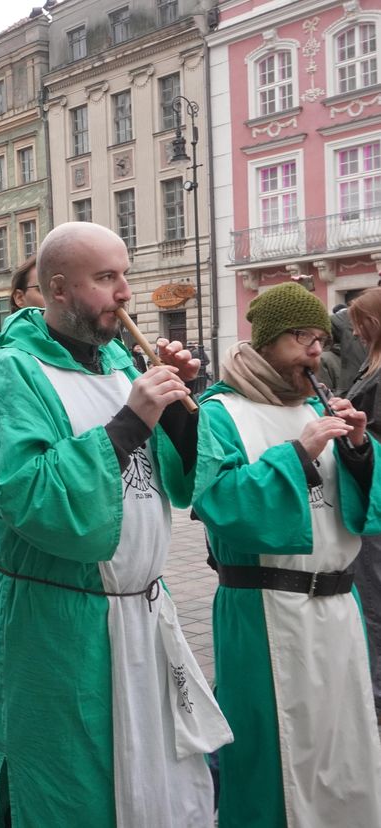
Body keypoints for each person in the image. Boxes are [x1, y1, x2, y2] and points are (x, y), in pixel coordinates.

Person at [0, 223, 231, 827]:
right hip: (58, 620)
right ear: (58, 289)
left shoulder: (116, 359)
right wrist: (131, 420)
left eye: (126, 275)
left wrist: (179, 405)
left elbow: (171, 475)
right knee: (70, 789)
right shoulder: (9, 371)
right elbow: (28, 497)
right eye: (106, 279)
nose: (125, 293)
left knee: (148, 780)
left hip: (139, 613)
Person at [193, 281, 381, 827]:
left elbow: (355, 509)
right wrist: (299, 453)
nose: (316, 352)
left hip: (338, 611)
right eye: (302, 338)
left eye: (321, 339)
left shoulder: (317, 405)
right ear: (267, 340)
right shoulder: (219, 412)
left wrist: (360, 451)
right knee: (272, 756)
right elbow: (222, 503)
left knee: (343, 751)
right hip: (265, 611)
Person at [347, 287, 381, 725]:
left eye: (360, 322)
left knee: (372, 601)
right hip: (368, 492)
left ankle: (374, 697)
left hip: (375, 498)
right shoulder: (369, 363)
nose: (353, 330)